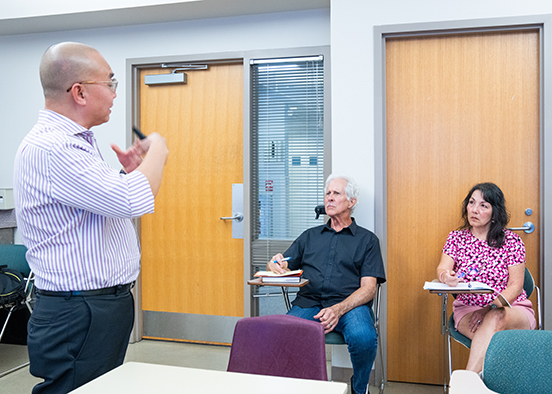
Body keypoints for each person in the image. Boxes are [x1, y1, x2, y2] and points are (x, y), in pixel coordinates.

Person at [13, 42, 169, 393]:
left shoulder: (75, 143)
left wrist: (128, 175)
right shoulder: (54, 146)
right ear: (79, 92)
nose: (115, 94)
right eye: (110, 83)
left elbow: (102, 208)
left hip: (95, 306)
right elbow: (132, 200)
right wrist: (157, 149)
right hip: (79, 310)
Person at [267, 174, 386, 394]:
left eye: (336, 193)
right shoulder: (309, 236)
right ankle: (305, 386)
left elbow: (369, 289)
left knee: (364, 338)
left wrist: (337, 310)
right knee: (281, 333)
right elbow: (282, 263)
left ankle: (360, 388)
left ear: (351, 202)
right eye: (327, 193)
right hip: (309, 303)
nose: (329, 198)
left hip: (350, 306)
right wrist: (275, 263)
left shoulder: (368, 240)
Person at [436, 182, 536, 373]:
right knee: (495, 340)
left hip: (511, 309)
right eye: (472, 203)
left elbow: (516, 287)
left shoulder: (512, 241)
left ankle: (465, 386)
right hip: (468, 311)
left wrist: (487, 309)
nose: (474, 210)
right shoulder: (456, 238)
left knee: (494, 318)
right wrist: (445, 276)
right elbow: (443, 267)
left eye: (483, 205)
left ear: (494, 212)